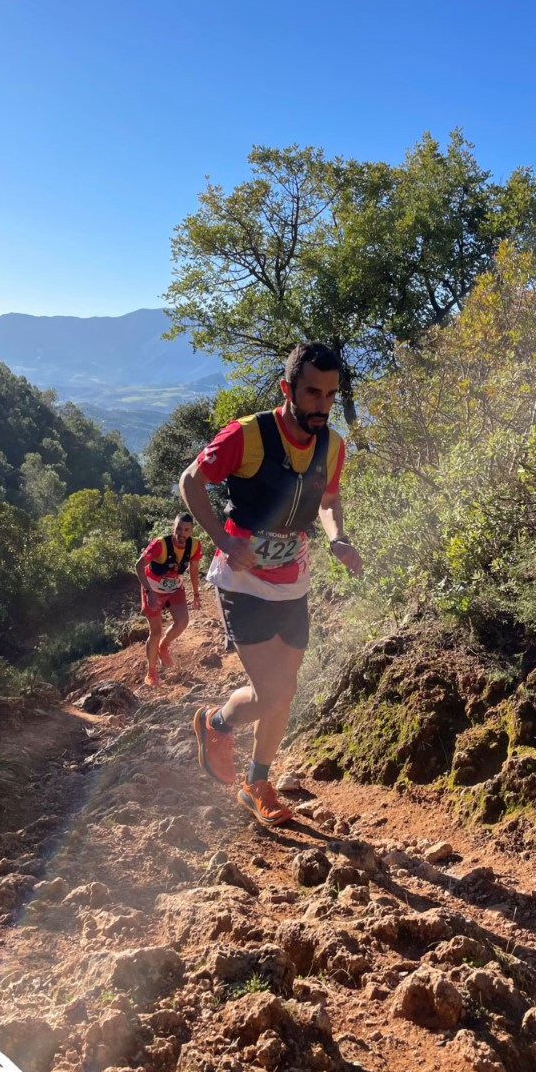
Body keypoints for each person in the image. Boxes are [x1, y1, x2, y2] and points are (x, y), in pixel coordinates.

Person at [180, 341, 362, 826]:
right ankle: (229, 741)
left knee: (283, 689)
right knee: (275, 690)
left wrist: (338, 539)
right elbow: (191, 481)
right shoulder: (248, 435)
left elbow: (327, 500)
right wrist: (221, 538)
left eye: (331, 395)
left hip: (292, 580)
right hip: (243, 582)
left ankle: (244, 763)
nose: (322, 405)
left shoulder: (332, 444)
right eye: (312, 393)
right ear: (287, 389)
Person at [134, 513, 202, 687]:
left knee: (182, 622)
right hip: (153, 589)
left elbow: (194, 570)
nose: (182, 533)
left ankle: (163, 646)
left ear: (191, 531)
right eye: (179, 529)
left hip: (174, 589)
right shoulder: (160, 544)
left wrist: (196, 594)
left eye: (186, 530)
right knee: (155, 632)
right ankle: (151, 672)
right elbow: (139, 566)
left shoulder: (194, 545)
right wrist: (148, 592)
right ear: (173, 527)